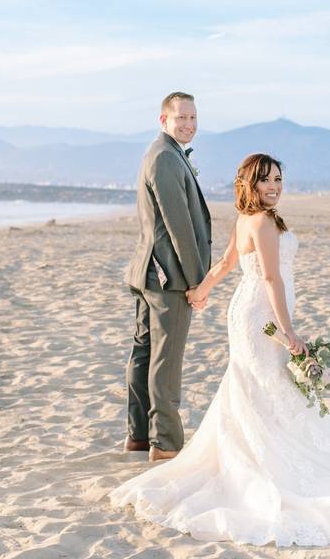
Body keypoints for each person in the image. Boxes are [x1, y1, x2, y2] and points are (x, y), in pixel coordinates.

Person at [110, 154, 330, 547]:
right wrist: (288, 331)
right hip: (261, 316)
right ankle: (263, 465)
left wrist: (201, 291)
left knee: (258, 388)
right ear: (250, 184)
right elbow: (272, 278)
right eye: (266, 180)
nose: (275, 185)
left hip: (250, 312)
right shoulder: (259, 222)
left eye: (278, 178)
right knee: (265, 388)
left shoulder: (251, 219)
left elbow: (227, 262)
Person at [123, 91, 212, 462]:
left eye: (192, 118)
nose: (188, 124)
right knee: (164, 359)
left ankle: (139, 437)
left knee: (145, 353)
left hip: (149, 272)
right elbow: (178, 227)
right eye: (181, 118)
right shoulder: (164, 158)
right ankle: (165, 443)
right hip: (168, 277)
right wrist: (196, 281)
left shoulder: (166, 154)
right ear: (164, 120)